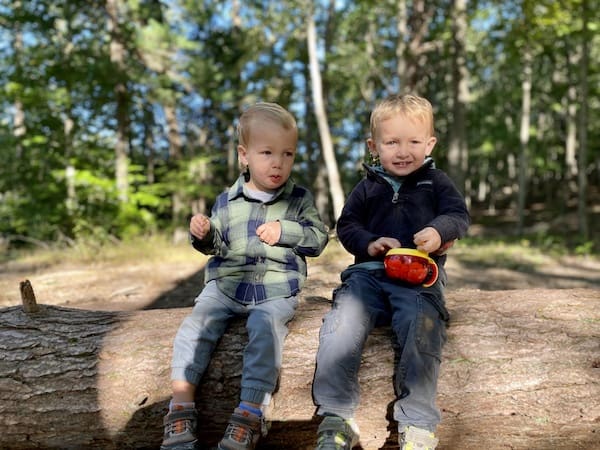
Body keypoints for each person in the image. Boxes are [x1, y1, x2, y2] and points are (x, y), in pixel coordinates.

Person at [161, 102, 329, 450]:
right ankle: (180, 406)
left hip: (275, 288)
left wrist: (286, 231)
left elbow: (318, 238)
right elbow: (216, 245)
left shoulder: (298, 200)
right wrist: (204, 234)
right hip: (226, 285)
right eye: (267, 152)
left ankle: (250, 413)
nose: (277, 162)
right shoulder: (226, 201)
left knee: (265, 334)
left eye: (287, 154)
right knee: (195, 327)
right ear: (244, 155)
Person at [311, 93, 470, 450]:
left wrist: (439, 231)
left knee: (423, 328)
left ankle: (417, 424)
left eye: (414, 142)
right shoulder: (367, 187)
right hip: (367, 275)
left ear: (429, 143)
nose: (403, 151)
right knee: (340, 326)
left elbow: (459, 216)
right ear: (374, 146)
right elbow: (347, 225)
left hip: (417, 278)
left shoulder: (437, 182)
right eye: (392, 142)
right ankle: (336, 416)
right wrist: (368, 243)